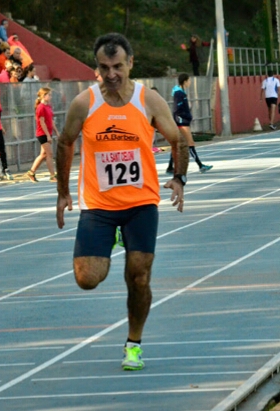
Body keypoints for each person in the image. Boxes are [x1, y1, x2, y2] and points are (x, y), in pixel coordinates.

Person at [55, 33, 189, 371]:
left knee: (139, 276)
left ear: (130, 63)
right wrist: (62, 191)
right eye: (104, 68)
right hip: (98, 205)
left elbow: (178, 139)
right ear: (96, 68)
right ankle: (113, 237)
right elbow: (65, 142)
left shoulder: (148, 100)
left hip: (140, 203)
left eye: (117, 66)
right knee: (87, 278)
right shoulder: (84, 103)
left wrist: (179, 178)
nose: (111, 74)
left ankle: (133, 344)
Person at [166, 73, 212, 174]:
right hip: (182, 122)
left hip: (182, 121)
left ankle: (170, 167)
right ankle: (200, 165)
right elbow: (177, 109)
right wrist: (186, 117)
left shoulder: (181, 92)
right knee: (190, 143)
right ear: (185, 81)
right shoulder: (179, 94)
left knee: (177, 145)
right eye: (189, 80)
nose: (190, 82)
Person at [27, 87, 60, 183]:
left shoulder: (48, 106)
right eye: (49, 95)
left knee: (43, 154)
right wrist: (48, 135)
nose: (50, 97)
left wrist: (56, 131)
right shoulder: (40, 107)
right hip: (42, 133)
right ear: (43, 96)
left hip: (48, 133)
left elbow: (51, 121)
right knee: (49, 154)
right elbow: (42, 122)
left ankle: (31, 172)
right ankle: (52, 175)